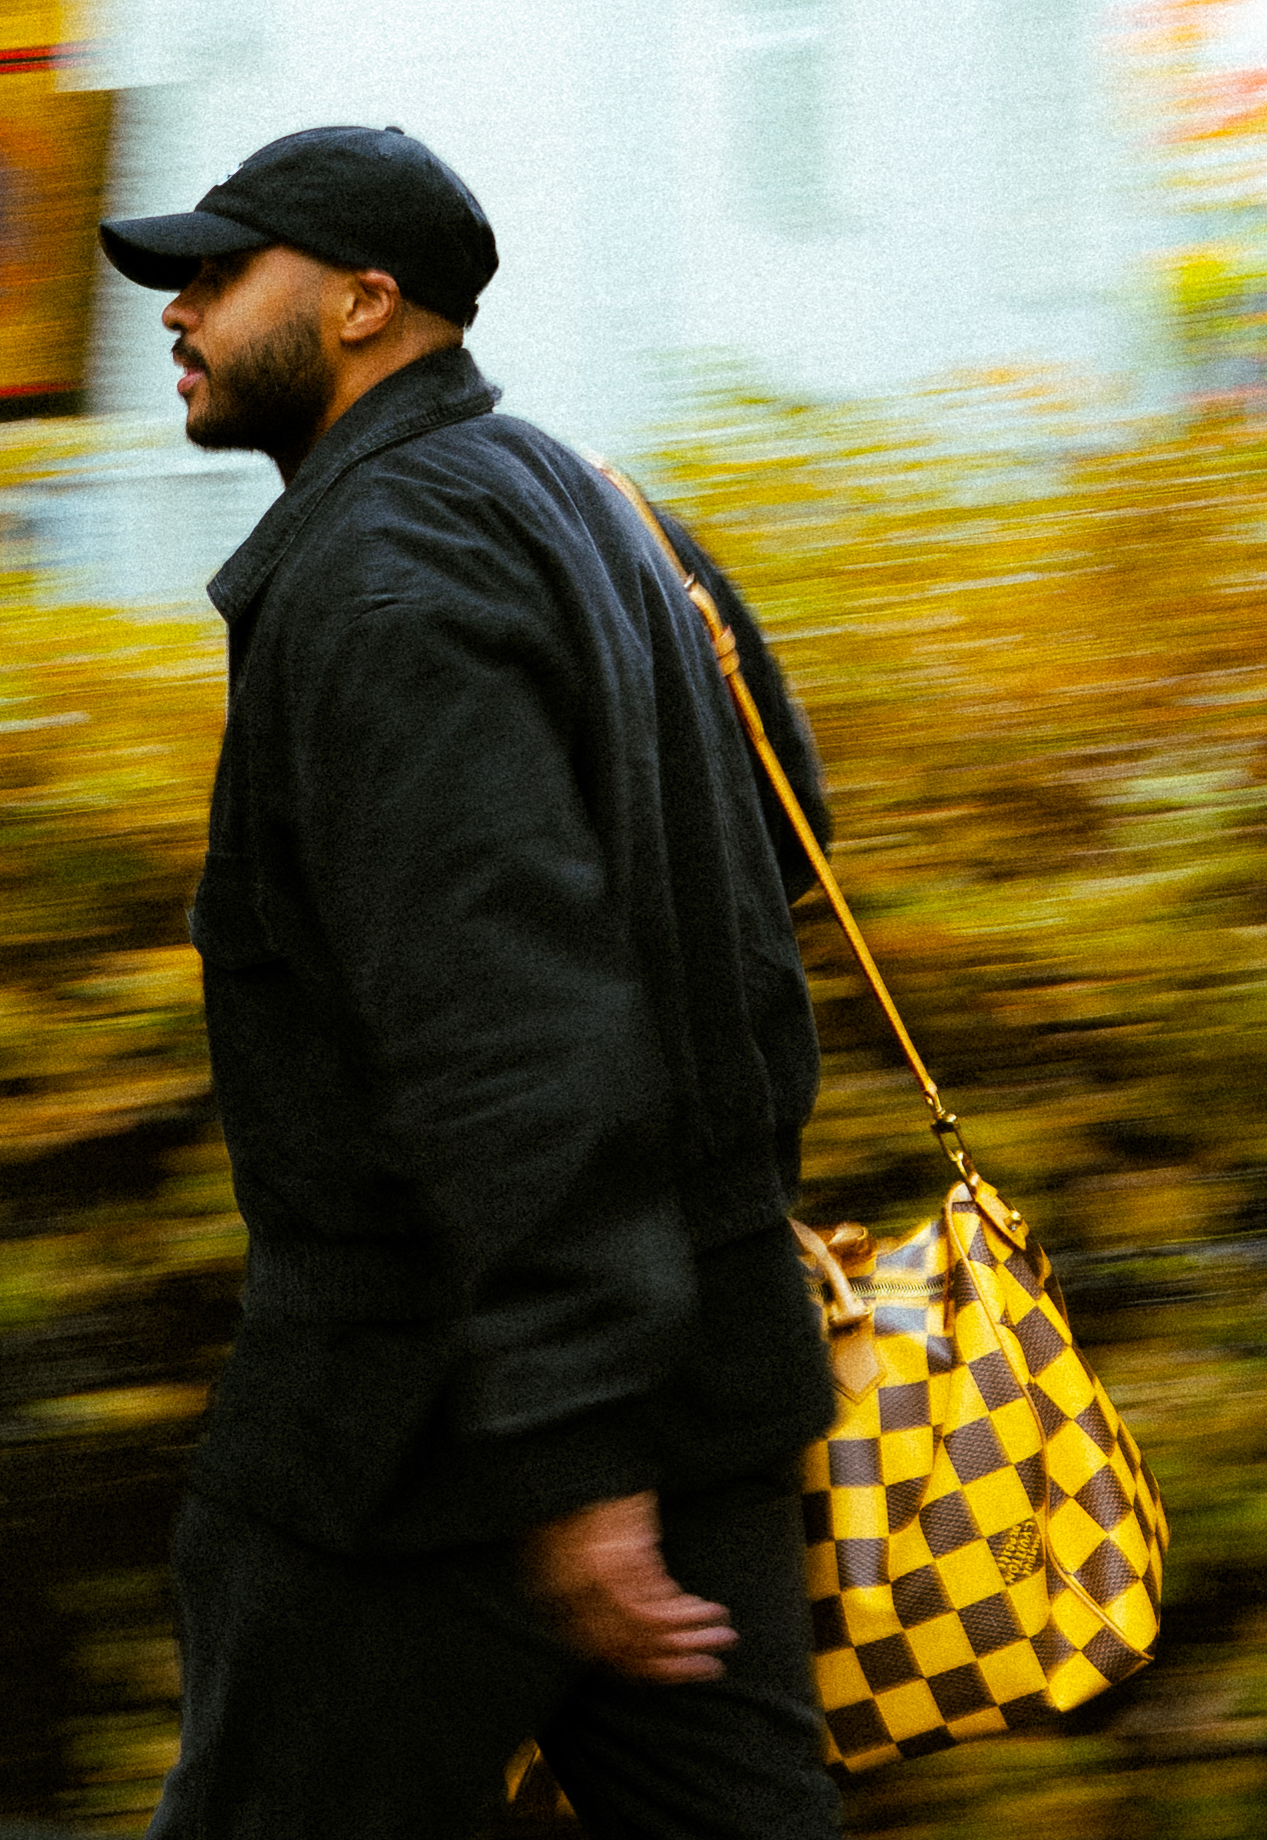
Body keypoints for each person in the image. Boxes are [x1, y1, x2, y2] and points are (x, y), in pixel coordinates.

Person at [99, 125, 841, 1840]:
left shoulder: (381, 580)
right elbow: (779, 851)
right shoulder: (596, 502)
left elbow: (507, 1034)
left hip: (440, 1443)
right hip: (703, 1374)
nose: (178, 310)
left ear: (367, 304)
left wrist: (578, 1458)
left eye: (220, 273)